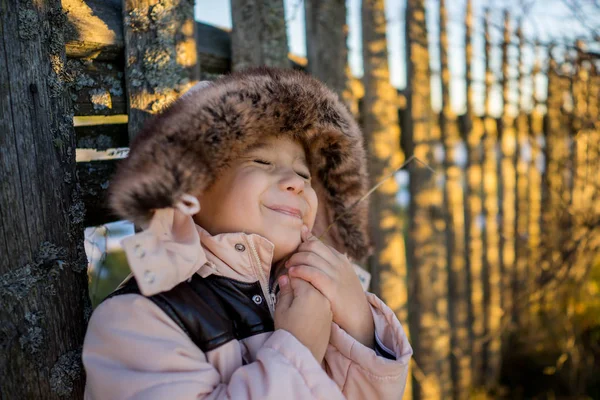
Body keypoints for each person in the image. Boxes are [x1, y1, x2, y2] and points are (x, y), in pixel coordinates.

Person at [83, 67, 412, 399]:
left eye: (304, 173)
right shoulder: (139, 319)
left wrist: (361, 327)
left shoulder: (313, 300)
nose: (296, 182)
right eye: (262, 161)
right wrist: (297, 352)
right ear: (191, 187)